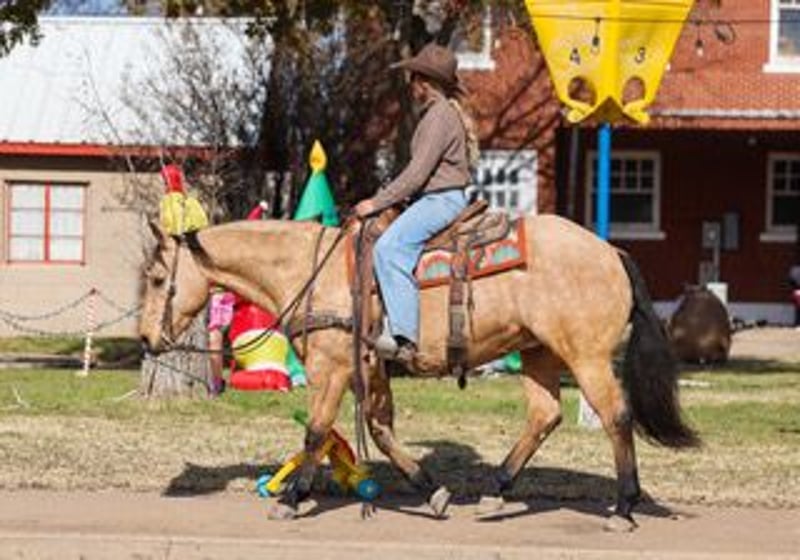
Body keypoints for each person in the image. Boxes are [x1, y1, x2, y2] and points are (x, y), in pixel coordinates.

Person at [354, 43, 479, 361]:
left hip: (440, 201)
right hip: (436, 199)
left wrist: (377, 203)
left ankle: (404, 337)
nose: (410, 85)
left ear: (424, 82)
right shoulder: (441, 113)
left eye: (413, 79)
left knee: (390, 248)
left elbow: (417, 173)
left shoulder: (438, 116)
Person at [158, 163, 209, 236]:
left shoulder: (169, 201)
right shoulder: (189, 200)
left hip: (180, 231)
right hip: (191, 230)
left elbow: (170, 219)